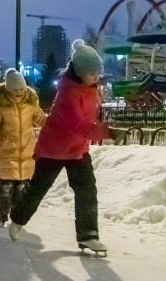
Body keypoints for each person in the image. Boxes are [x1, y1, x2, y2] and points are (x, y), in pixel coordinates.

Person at [9, 39, 109, 252]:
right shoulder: (68, 92)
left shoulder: (91, 88)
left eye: (97, 73)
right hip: (53, 149)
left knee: (86, 190)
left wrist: (99, 127)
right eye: (92, 73)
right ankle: (17, 219)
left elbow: (89, 119)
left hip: (77, 150)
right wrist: (104, 132)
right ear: (79, 72)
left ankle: (88, 235)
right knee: (38, 189)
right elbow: (76, 124)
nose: (96, 77)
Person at [0, 69, 46, 227]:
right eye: (15, 90)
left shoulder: (31, 106)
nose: (19, 92)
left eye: (22, 89)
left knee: (23, 189)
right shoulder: (0, 108)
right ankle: (2, 213)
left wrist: (58, 127)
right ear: (8, 90)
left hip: (27, 153)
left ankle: (17, 219)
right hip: (6, 154)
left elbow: (44, 122)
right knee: (6, 189)